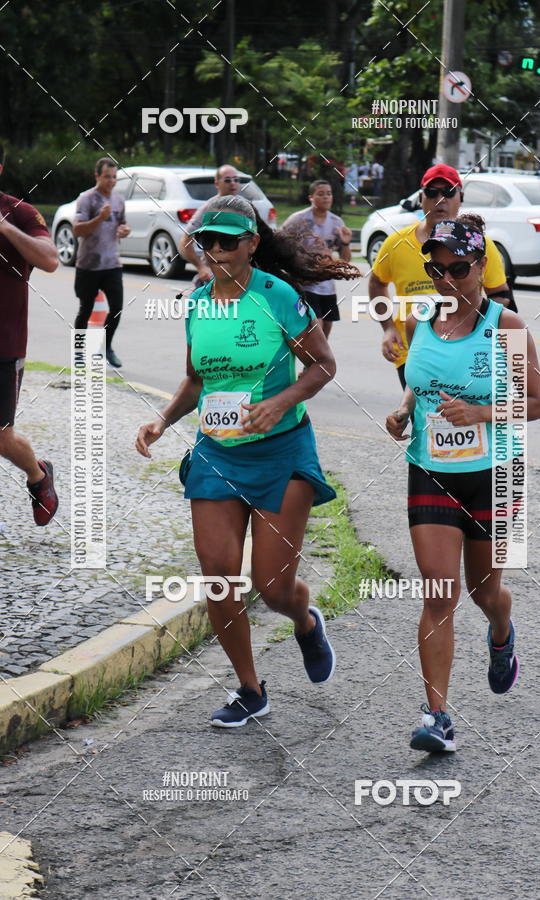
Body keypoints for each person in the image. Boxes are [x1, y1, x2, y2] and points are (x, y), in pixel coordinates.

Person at [136, 195, 343, 728]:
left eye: (230, 240)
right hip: (216, 452)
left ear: (252, 243)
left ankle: (303, 618)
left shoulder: (279, 297)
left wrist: (278, 402)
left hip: (281, 451)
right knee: (219, 582)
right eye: (207, 241)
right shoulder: (199, 301)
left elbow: (322, 365)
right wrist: (163, 419)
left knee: (273, 587)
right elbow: (197, 378)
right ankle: (250, 689)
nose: (218, 250)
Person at [385, 215, 540, 753]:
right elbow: (418, 385)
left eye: (459, 268)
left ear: (481, 266)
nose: (447, 278)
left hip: (497, 474)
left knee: (483, 591)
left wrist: (480, 410)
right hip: (431, 468)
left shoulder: (508, 326)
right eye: (437, 268)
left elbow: (538, 406)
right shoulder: (419, 323)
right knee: (438, 591)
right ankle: (437, 717)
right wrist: (403, 410)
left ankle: (502, 629)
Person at [369, 164, 517, 389]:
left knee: (460, 415)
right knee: (424, 415)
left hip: (465, 350)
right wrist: (388, 328)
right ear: (421, 198)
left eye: (448, 192)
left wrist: (479, 336)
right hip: (413, 349)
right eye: (432, 192)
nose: (440, 199)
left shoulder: (479, 245)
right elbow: (377, 282)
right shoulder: (395, 243)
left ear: (461, 197)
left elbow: (501, 296)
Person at [0, 143, 60, 525]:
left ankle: (38, 476)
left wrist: (3, 228)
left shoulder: (19, 212)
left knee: (1, 436)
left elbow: (50, 259)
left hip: (3, 344)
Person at [73, 157, 131, 368]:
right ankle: (79, 351)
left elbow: (122, 224)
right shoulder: (87, 199)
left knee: (116, 307)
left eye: (114, 177)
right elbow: (77, 230)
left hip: (112, 264)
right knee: (85, 309)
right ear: (97, 176)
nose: (111, 181)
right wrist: (99, 218)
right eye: (107, 177)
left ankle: (106, 348)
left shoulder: (119, 200)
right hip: (88, 264)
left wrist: (125, 230)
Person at [281, 180, 353, 340]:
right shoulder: (298, 220)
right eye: (321, 194)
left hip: (327, 286)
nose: (326, 197)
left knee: (325, 333)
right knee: (316, 330)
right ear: (311, 197)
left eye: (329, 194)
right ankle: (313, 364)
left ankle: (312, 365)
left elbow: (345, 259)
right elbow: (278, 245)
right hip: (305, 285)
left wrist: (346, 243)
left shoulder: (337, 223)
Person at [178, 164, 243, 290]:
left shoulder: (246, 208)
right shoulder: (208, 209)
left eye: (236, 179)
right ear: (217, 183)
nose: (233, 183)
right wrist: (201, 267)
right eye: (227, 180)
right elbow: (185, 242)